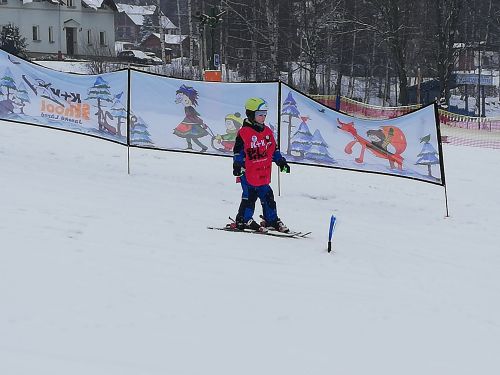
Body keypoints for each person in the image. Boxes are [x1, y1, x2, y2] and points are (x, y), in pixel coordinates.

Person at [232, 97, 291, 232]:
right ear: (251, 114)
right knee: (249, 197)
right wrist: (237, 165)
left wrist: (280, 161)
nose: (263, 117)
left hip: (263, 173)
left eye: (264, 114)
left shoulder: (267, 131)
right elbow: (238, 152)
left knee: (268, 196)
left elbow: (273, 149)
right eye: (260, 115)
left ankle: (271, 220)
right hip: (248, 173)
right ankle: (244, 219)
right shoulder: (244, 132)